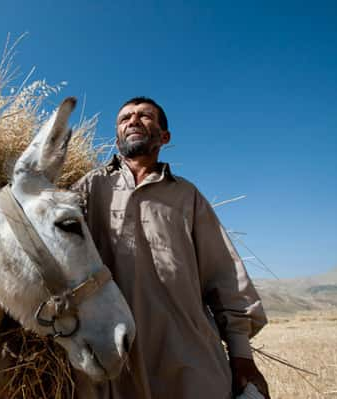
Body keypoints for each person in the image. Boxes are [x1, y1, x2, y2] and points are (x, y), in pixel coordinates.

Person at [71, 97, 270, 399]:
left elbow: (225, 275)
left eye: (145, 116)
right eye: (125, 118)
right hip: (112, 360)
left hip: (189, 359)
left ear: (164, 137)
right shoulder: (88, 188)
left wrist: (242, 356)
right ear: (116, 138)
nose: (133, 121)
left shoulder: (187, 195)